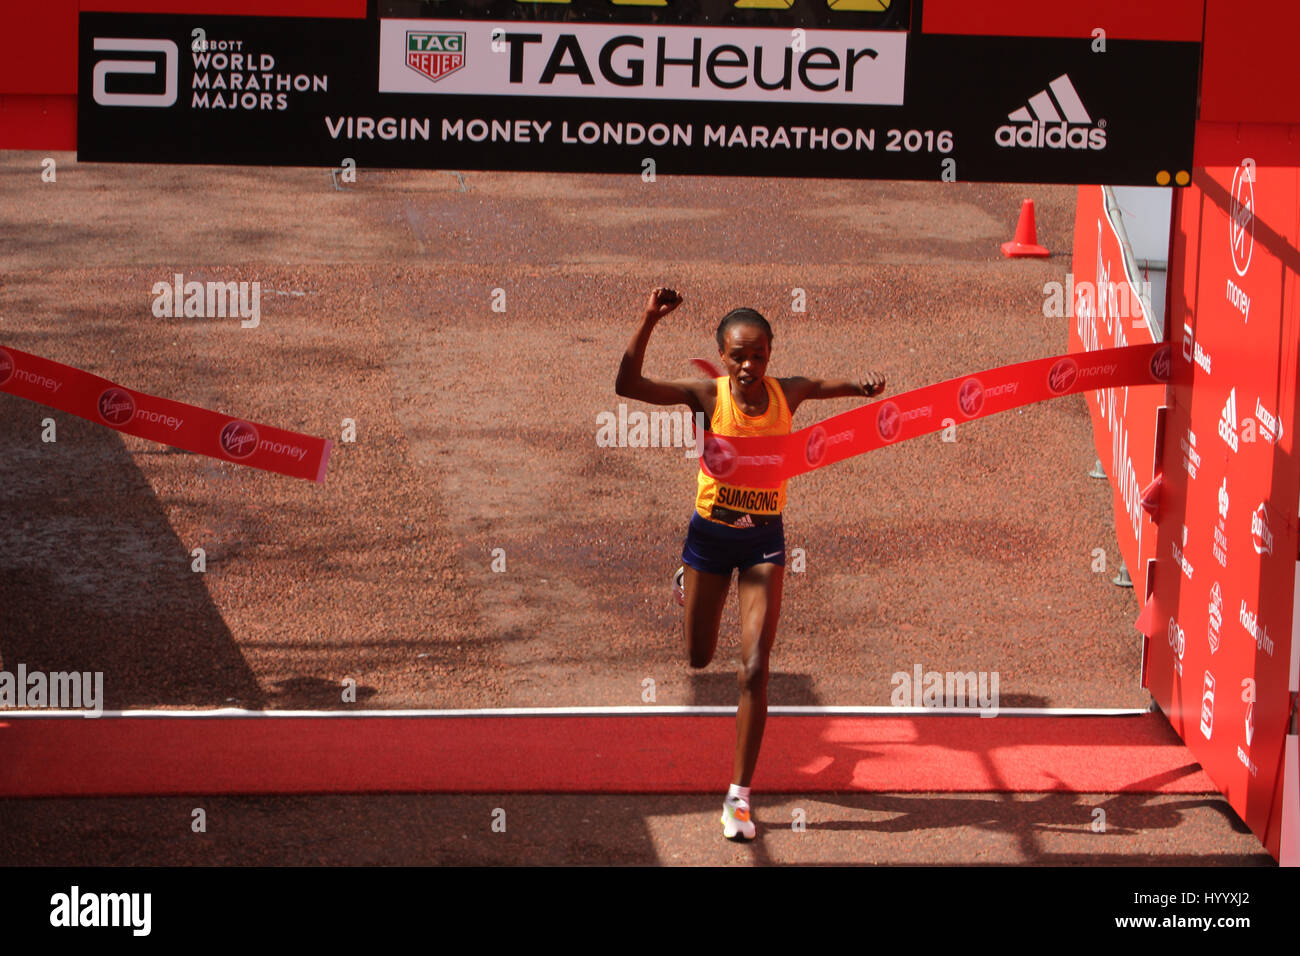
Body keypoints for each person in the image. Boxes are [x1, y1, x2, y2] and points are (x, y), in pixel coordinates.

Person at [614, 287, 886, 840]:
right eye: (737, 355)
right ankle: (687, 580)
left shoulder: (787, 393)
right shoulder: (707, 396)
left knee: (755, 667)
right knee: (697, 657)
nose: (747, 365)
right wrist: (648, 320)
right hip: (710, 540)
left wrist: (861, 387)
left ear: (770, 356)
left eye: (758, 355)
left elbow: (825, 384)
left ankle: (738, 798)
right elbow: (628, 386)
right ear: (723, 355)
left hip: (765, 542)